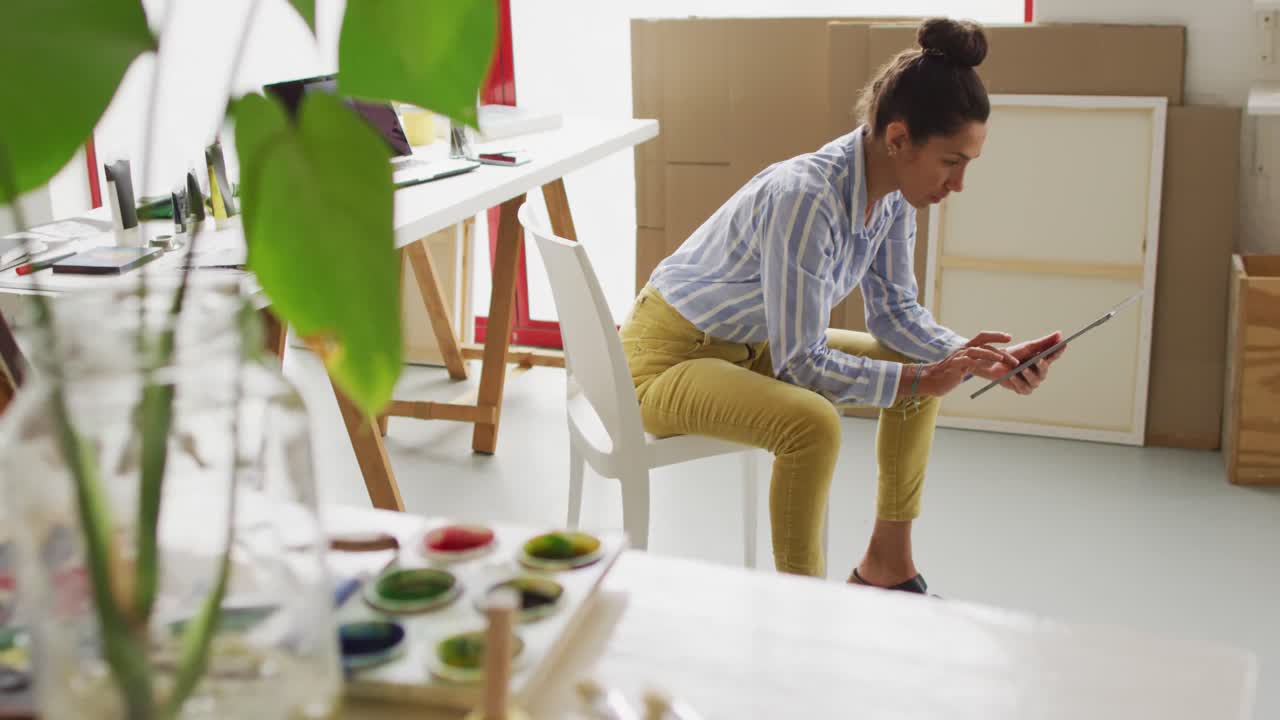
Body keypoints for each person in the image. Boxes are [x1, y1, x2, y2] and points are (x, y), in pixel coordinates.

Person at [619, 17, 1065, 592]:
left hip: (750, 346)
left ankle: (887, 566)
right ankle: (806, 612)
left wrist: (976, 360)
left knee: (917, 378)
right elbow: (800, 364)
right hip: (665, 360)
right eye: (952, 162)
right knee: (815, 424)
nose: (957, 184)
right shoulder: (808, 200)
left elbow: (896, 314)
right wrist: (918, 378)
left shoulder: (897, 195)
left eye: (967, 165)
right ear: (899, 139)